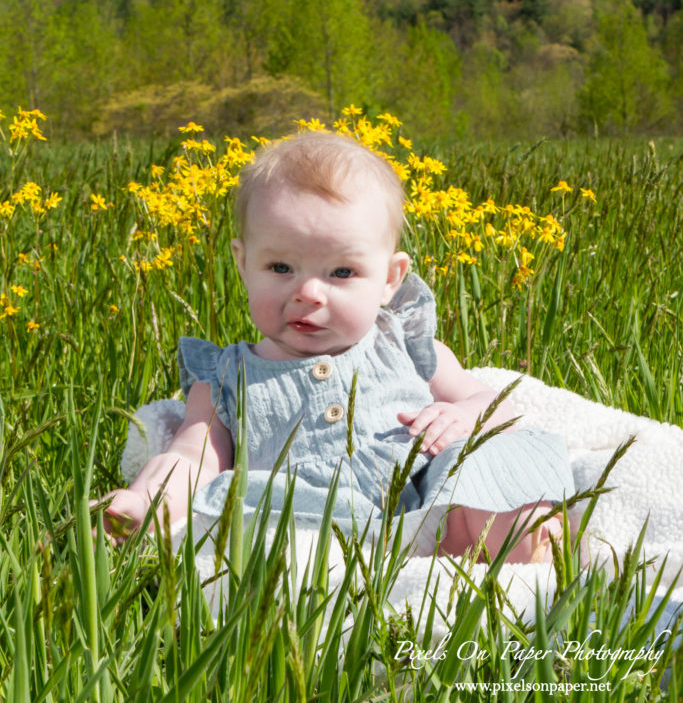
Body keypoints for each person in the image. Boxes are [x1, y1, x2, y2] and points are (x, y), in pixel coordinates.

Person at [103, 132, 573, 561]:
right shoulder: (226, 377)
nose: (308, 292)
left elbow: (491, 398)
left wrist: (466, 415)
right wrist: (148, 496)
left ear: (390, 279)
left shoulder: (404, 343)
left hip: (425, 504)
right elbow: (193, 457)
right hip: (307, 523)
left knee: (488, 463)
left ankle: (519, 546)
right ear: (243, 264)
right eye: (281, 267)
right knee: (236, 512)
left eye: (341, 272)